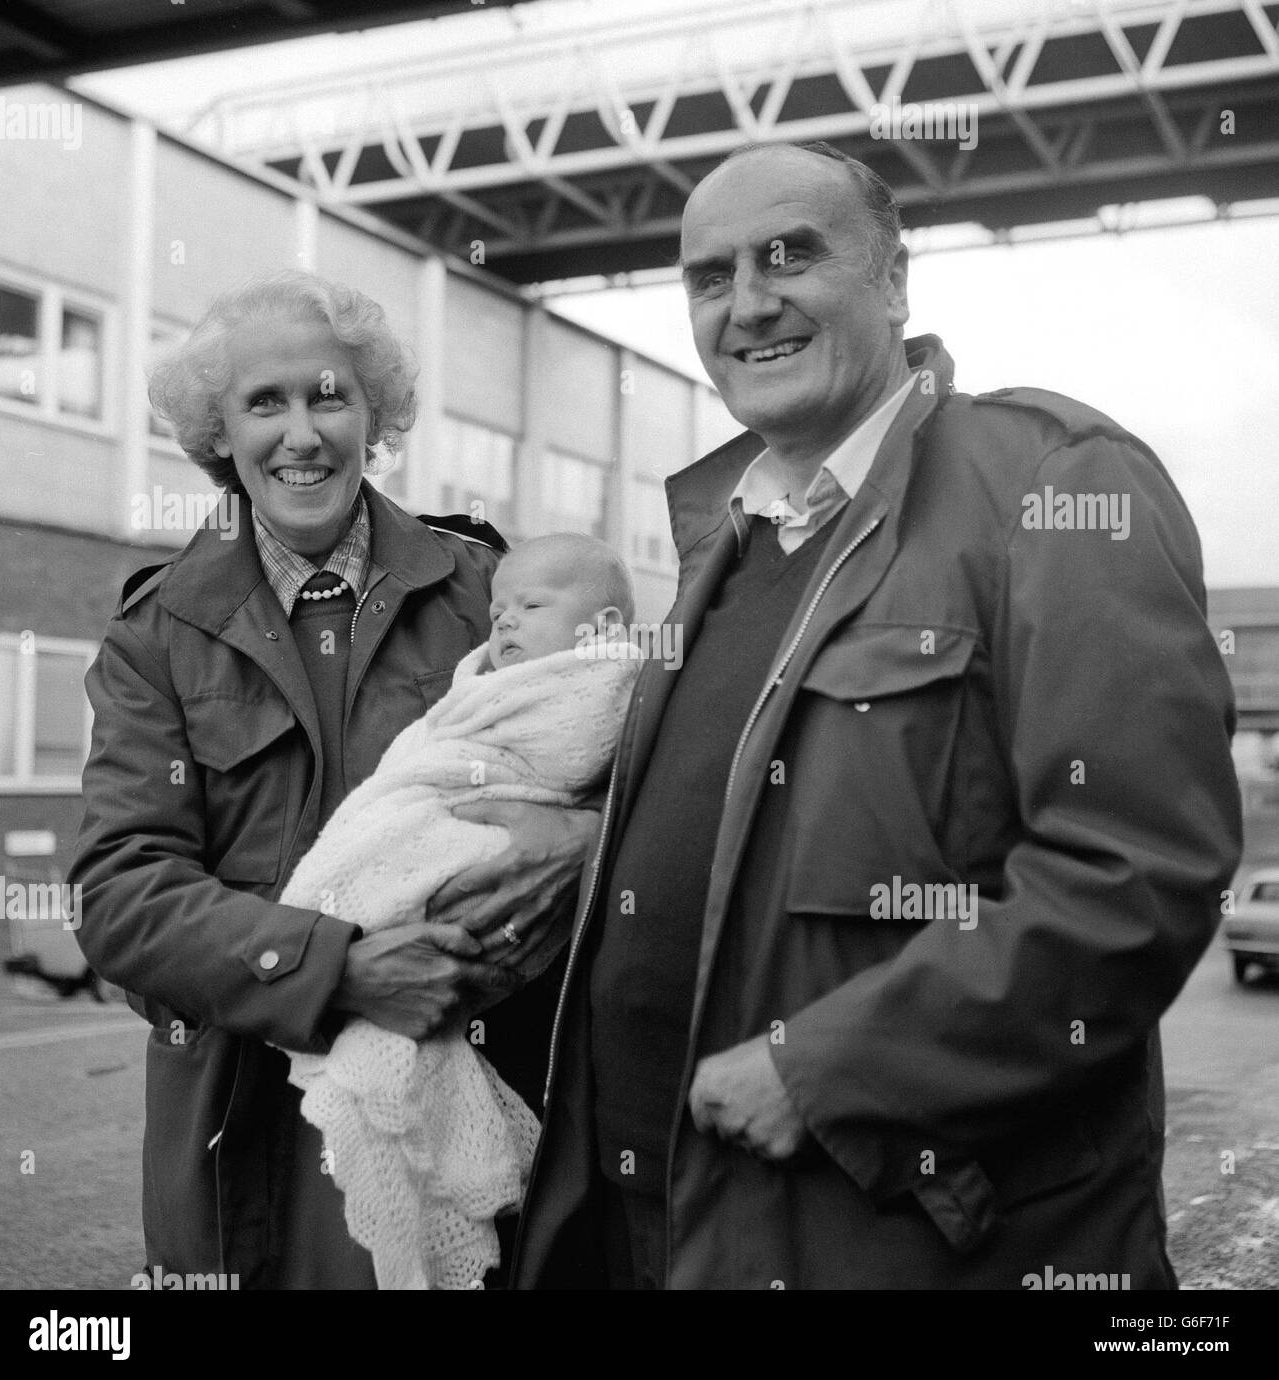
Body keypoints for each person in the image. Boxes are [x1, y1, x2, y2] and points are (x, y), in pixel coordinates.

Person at [511, 141, 1243, 1290]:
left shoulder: (1050, 483)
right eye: (711, 276)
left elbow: (1135, 871)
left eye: (790, 256)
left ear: (894, 284)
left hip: (900, 1243)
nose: (748, 303)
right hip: (647, 1229)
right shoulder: (721, 546)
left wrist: (827, 1071)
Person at [69, 270, 596, 1289]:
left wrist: (584, 840)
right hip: (243, 1143)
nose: (300, 434)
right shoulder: (155, 636)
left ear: (374, 414)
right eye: (264, 403)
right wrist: (334, 969)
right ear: (218, 431)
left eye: (328, 396)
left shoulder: (494, 596)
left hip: (474, 1113)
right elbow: (120, 897)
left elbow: (630, 755)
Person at [278, 534, 639, 1289]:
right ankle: (334, 924)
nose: (503, 623)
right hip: (311, 976)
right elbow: (429, 752)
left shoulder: (608, 680)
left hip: (508, 974)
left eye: (530, 608)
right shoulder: (167, 618)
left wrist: (588, 831)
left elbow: (589, 754)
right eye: (499, 610)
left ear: (603, 626)